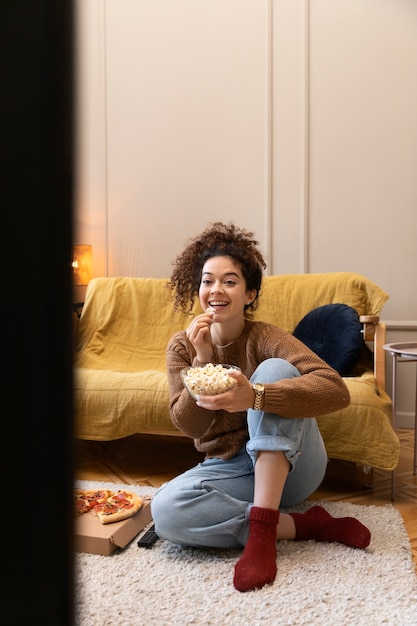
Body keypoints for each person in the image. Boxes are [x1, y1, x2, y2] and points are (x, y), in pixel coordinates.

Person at [151, 222, 371, 593]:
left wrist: (255, 396)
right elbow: (189, 425)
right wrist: (201, 363)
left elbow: (336, 390)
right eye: (207, 281)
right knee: (165, 513)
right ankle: (309, 525)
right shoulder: (182, 347)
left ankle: (262, 536)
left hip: (294, 466)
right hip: (232, 471)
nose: (216, 290)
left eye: (230, 281)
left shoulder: (265, 336)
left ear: (250, 293)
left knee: (274, 371)